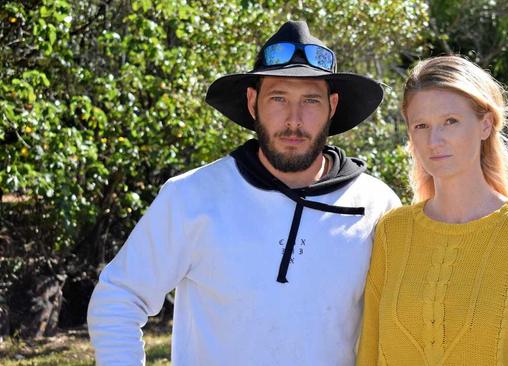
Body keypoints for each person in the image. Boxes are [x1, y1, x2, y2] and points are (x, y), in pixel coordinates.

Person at [87, 21, 400, 365]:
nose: (294, 120)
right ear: (253, 103)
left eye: (310, 100)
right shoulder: (192, 196)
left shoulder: (376, 206)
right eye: (278, 98)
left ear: (332, 106)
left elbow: (401, 324)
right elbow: (118, 298)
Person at [356, 55, 508, 365]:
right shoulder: (392, 232)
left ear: (485, 124)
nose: (435, 140)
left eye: (450, 122)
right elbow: (369, 354)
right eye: (421, 125)